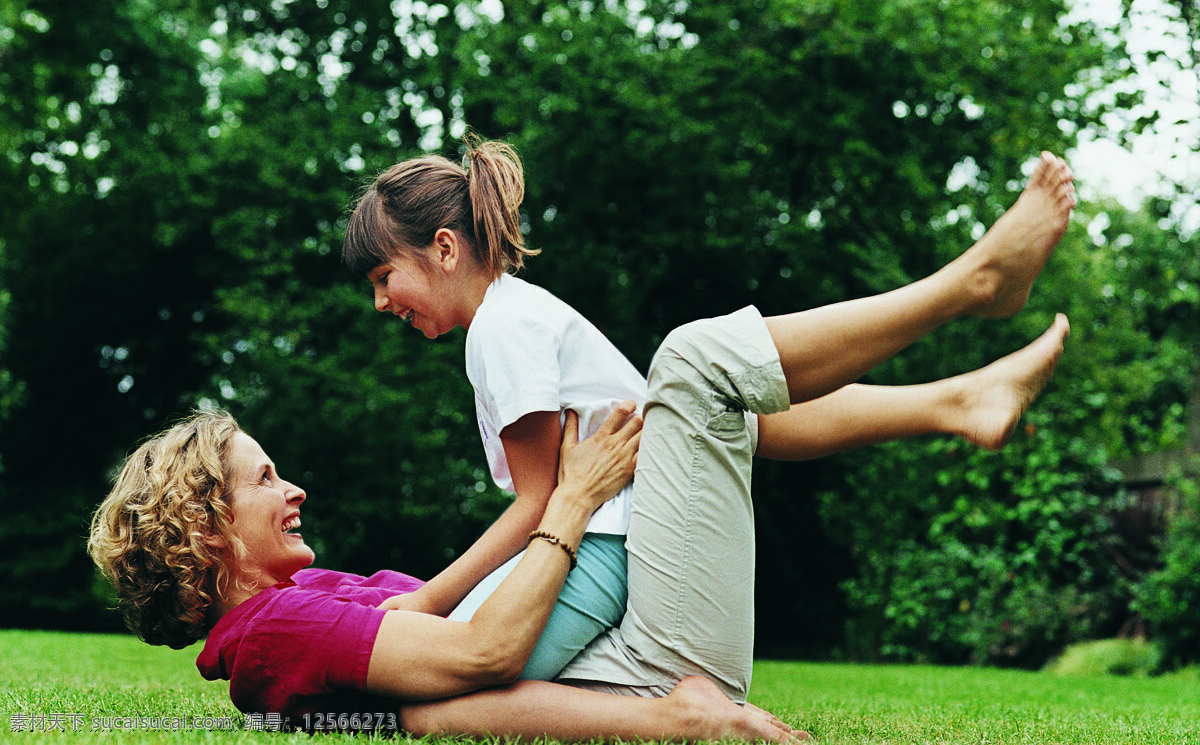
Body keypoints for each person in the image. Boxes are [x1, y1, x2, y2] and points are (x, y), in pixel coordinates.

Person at [88, 149, 1075, 738]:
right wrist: (661, 708)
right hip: (643, 633)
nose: (293, 485)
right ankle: (967, 296)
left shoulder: (306, 608)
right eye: (267, 478)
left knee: (714, 392)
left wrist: (557, 516)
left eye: (384, 277)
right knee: (696, 366)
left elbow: (420, 655)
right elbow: (464, 661)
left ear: (441, 248)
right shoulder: (277, 637)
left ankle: (958, 390)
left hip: (638, 621)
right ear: (210, 531)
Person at [343, 136, 646, 681]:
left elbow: (538, 503)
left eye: (384, 277)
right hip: (597, 535)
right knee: (444, 655)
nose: (380, 303)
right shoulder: (509, 313)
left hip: (606, 540)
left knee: (448, 679)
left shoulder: (501, 330)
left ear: (444, 248)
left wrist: (430, 599)